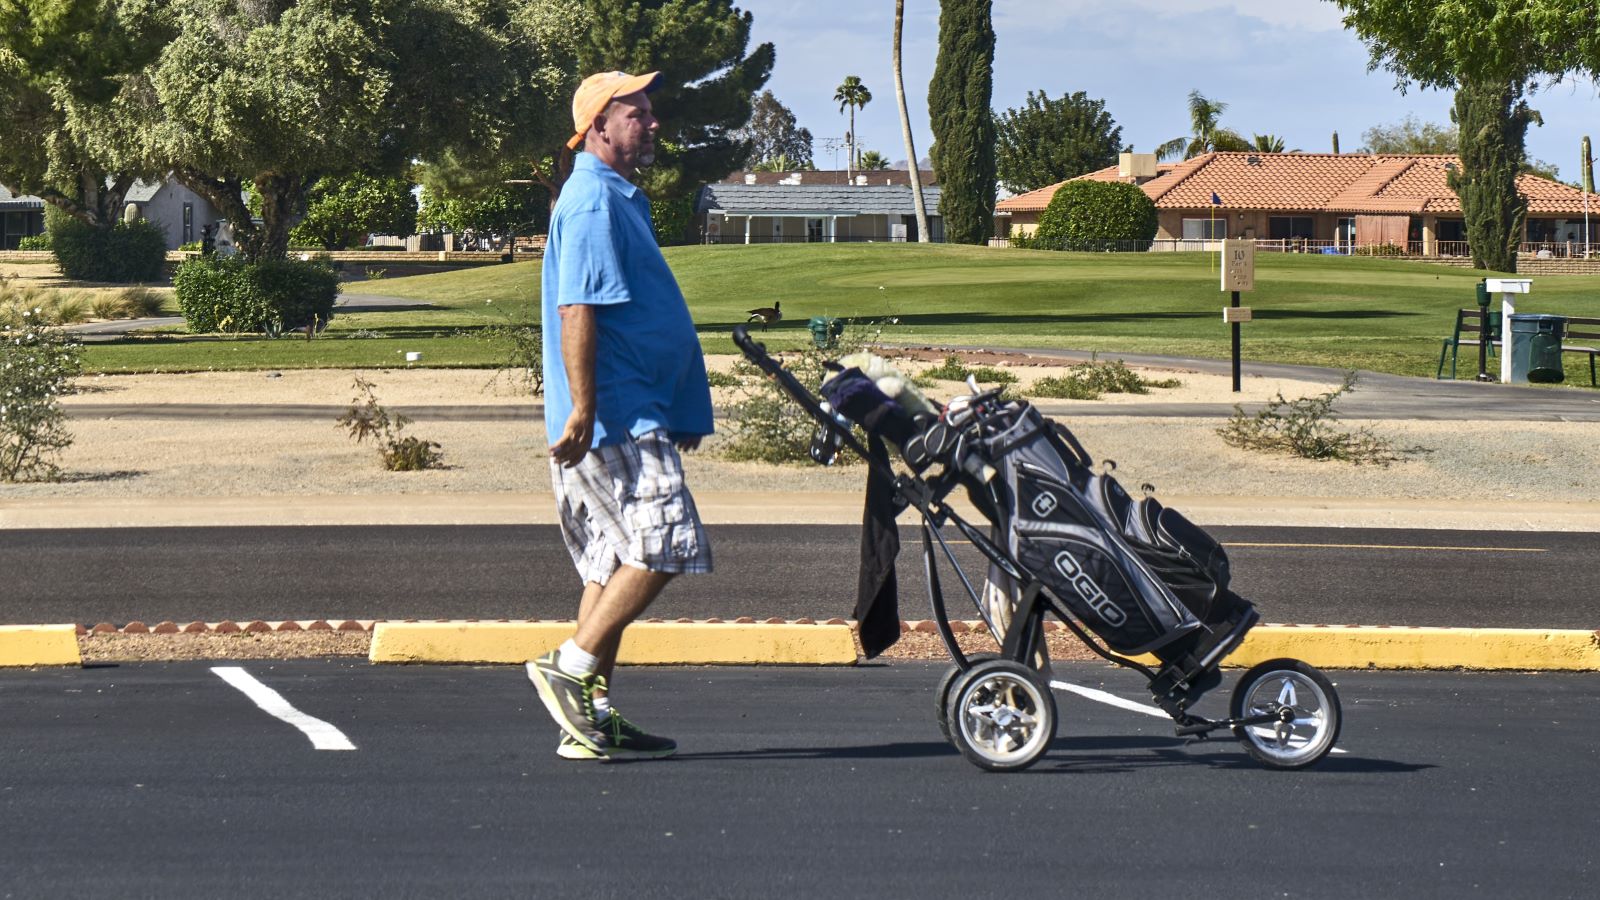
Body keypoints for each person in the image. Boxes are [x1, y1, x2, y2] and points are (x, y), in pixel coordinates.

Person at [526, 70, 714, 762]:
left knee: (609, 566)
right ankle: (570, 666)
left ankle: (588, 722)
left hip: (633, 411)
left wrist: (682, 405)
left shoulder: (614, 198)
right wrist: (584, 409)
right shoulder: (593, 204)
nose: (653, 123)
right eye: (638, 113)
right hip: (615, 417)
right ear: (598, 124)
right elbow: (579, 309)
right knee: (665, 544)